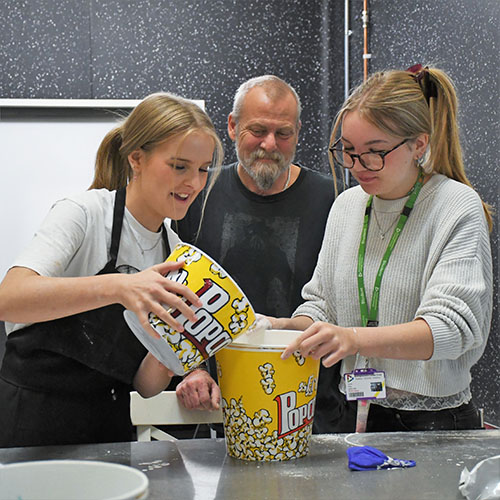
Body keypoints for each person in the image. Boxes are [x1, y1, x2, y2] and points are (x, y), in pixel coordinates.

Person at [274, 64, 493, 433]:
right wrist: (287, 328)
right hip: (357, 412)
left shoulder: (455, 205)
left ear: (418, 144)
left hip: (435, 423)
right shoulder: (347, 206)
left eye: (374, 152)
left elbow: (450, 330)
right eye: (348, 151)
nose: (358, 166)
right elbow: (322, 303)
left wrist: (351, 337)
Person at [0, 92, 224, 447]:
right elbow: (9, 299)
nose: (194, 183)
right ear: (136, 159)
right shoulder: (84, 214)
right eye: (180, 166)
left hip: (109, 427)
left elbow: (145, 386)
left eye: (202, 169)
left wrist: (182, 346)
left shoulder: (176, 253)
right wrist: (119, 286)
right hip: (33, 421)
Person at [174, 75, 346, 433]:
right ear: (233, 127)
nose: (270, 144)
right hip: (216, 406)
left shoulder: (335, 200)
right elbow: (173, 296)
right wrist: (193, 369)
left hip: (311, 406)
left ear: (298, 132)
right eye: (258, 130)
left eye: (283, 133)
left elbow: (338, 301)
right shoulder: (197, 195)